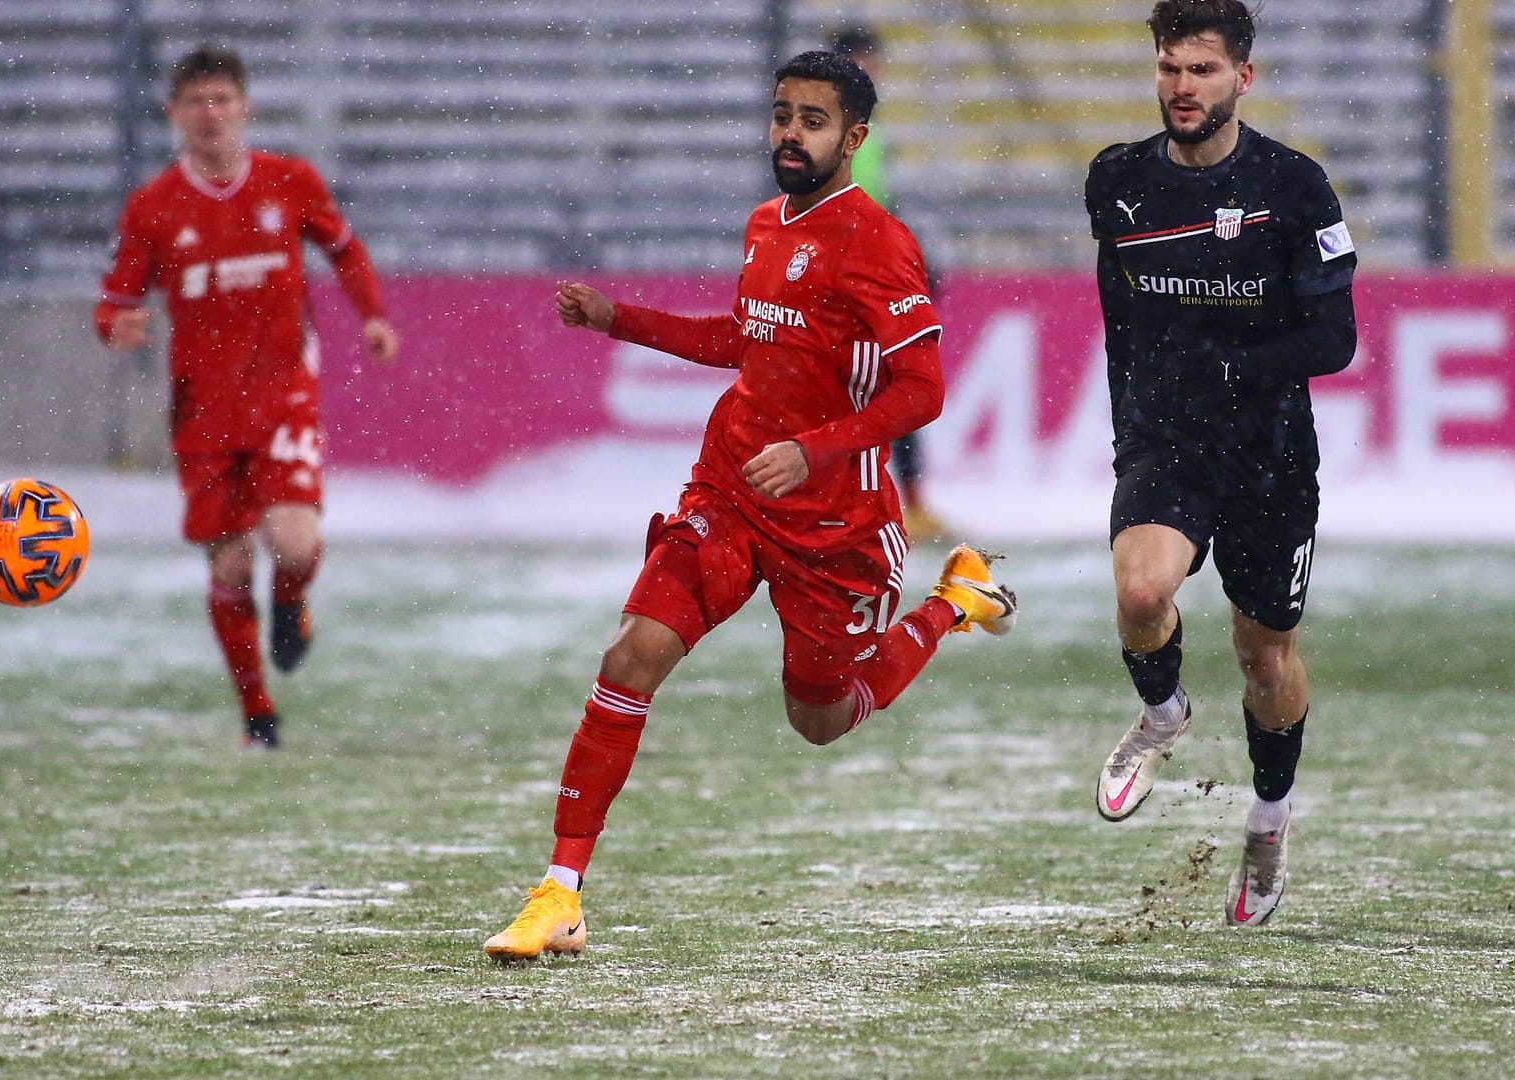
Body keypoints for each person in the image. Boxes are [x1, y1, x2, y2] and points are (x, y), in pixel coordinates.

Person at [483, 49, 1018, 962]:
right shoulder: (764, 224)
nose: (790, 134)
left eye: (812, 121)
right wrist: (623, 320)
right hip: (730, 491)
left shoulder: (881, 244)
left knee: (821, 718)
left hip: (836, 533)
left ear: (852, 139)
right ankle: (560, 894)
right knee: (632, 655)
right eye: (782, 115)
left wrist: (813, 450)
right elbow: (743, 339)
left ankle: (946, 606)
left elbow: (922, 391)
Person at [1083, 0, 1357, 926]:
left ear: (1245, 76)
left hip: (1272, 454)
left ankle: (1270, 817)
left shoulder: (1294, 186)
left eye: (1202, 70)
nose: (1182, 87)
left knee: (1264, 653)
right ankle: (1162, 714)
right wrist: (1139, 413)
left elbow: (1335, 340)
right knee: (1139, 591)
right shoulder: (1116, 180)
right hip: (1169, 441)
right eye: (1170, 68)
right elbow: (1118, 310)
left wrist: (1232, 367)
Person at [95, 45, 400, 750]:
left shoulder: (289, 182)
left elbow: (344, 249)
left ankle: (291, 603)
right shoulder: (152, 209)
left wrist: (374, 315)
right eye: (195, 102)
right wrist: (118, 326)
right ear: (173, 115)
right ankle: (257, 715)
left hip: (282, 392)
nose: (210, 114)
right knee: (230, 565)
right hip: (202, 409)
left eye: (222, 99)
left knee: (294, 544)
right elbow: (113, 301)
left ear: (244, 107)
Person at [830, 25, 952, 544]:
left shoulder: (862, 132)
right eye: (864, 63)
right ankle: (879, 502)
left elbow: (877, 209)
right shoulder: (837, 132)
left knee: (890, 387)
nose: (873, 72)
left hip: (870, 275)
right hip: (854, 281)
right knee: (884, 389)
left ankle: (901, 502)